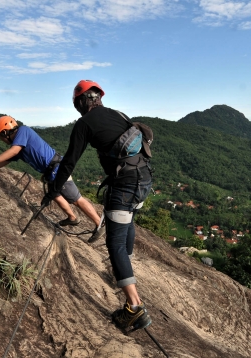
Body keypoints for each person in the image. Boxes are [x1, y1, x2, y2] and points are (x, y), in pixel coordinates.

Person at [42, 80, 153, 332]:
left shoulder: (84, 124)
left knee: (114, 244)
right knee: (129, 220)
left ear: (81, 102)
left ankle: (134, 307)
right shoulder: (118, 114)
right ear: (98, 98)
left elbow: (69, 161)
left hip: (124, 185)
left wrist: (54, 189)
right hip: (143, 178)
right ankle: (126, 268)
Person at [0, 115, 103, 240]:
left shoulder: (22, 131)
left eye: (0, 136)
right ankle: (73, 218)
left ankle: (99, 223)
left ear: (5, 132)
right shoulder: (20, 145)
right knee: (55, 194)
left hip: (58, 169)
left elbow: (13, 151)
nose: (1, 140)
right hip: (51, 171)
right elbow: (5, 161)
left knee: (76, 199)